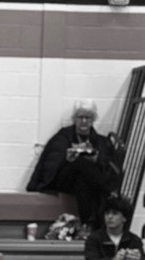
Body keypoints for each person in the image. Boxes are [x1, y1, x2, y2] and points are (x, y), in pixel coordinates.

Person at [28, 100, 119, 234]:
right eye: (80, 117)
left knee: (82, 181)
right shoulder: (63, 136)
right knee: (80, 163)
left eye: (88, 117)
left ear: (93, 120)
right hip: (61, 180)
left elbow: (109, 164)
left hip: (84, 182)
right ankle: (108, 192)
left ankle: (87, 225)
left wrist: (97, 160)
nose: (84, 121)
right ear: (74, 119)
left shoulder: (100, 141)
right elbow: (51, 165)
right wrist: (67, 160)